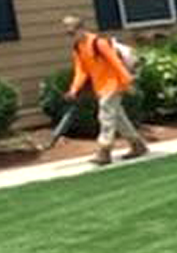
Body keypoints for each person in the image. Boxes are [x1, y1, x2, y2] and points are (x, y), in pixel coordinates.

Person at [63, 16, 148, 166]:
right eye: (68, 34)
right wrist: (73, 90)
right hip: (100, 87)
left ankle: (104, 151)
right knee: (119, 118)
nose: (71, 36)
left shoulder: (98, 43)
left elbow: (115, 63)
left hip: (113, 84)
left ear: (82, 29)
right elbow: (81, 71)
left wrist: (128, 82)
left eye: (73, 32)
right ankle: (137, 145)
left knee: (105, 117)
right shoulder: (78, 48)